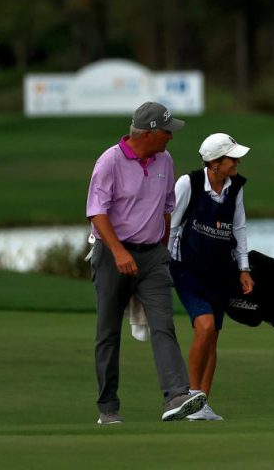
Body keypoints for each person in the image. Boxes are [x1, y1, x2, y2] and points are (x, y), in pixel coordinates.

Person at [86, 101, 206, 424]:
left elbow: (167, 207)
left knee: (163, 324)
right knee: (108, 331)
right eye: (167, 131)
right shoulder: (109, 161)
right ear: (151, 132)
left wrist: (161, 250)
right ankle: (108, 408)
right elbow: (97, 212)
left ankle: (176, 395)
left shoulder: (164, 160)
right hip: (113, 254)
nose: (171, 136)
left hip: (153, 255)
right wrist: (119, 252)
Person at [168, 133, 254, 421]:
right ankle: (191, 397)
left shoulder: (236, 187)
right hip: (188, 270)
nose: (237, 161)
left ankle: (203, 404)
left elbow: (238, 229)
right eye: (232, 158)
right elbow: (172, 226)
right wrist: (163, 264)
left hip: (220, 271)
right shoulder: (188, 184)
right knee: (204, 327)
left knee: (213, 336)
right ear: (214, 163)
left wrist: (244, 269)